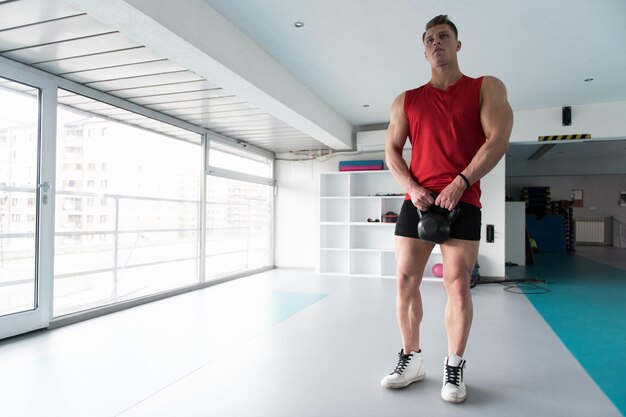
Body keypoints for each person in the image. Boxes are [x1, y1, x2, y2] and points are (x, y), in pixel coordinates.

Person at [380, 14, 513, 403]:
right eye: (430, 39)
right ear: (424, 51)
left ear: (458, 45)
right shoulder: (406, 100)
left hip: (463, 199)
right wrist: (410, 186)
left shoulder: (485, 87)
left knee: (457, 285)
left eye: (444, 36)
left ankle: (453, 365)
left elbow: (498, 139)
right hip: (416, 200)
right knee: (405, 280)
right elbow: (391, 150)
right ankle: (411, 358)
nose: (437, 42)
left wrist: (462, 181)